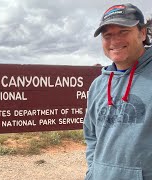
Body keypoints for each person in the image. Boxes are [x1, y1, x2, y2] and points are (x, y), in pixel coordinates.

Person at [83, 3, 152, 179]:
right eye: (108, 35)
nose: (114, 41)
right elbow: (91, 135)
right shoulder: (98, 85)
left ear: (142, 33)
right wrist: (94, 170)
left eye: (123, 32)